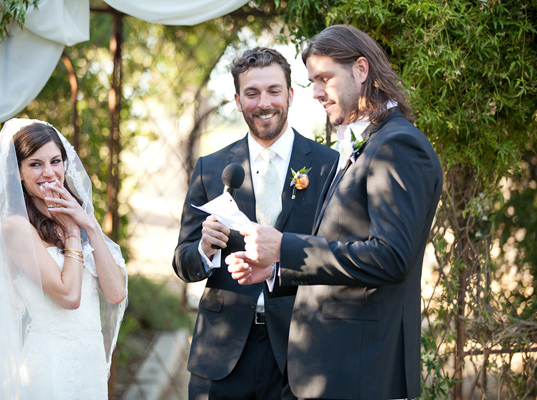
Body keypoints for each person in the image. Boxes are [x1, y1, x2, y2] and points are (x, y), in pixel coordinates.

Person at [226, 25, 443, 400]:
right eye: (312, 81)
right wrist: (277, 269)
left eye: (325, 78)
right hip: (326, 370)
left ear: (361, 70)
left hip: (359, 372)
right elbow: (344, 247)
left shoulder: (400, 146)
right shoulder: (366, 144)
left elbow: (391, 258)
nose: (316, 92)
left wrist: (284, 248)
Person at [173, 47, 337, 399]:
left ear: (290, 95)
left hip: (299, 352)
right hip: (221, 355)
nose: (264, 103)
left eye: (273, 91)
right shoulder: (211, 167)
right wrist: (203, 249)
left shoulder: (328, 166)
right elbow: (182, 262)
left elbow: (334, 257)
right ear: (237, 100)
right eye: (252, 93)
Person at [0, 119, 128, 399]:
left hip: (90, 365)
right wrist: (74, 232)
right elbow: (68, 296)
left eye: (55, 161)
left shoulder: (77, 216)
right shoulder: (15, 227)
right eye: (35, 164)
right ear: (17, 172)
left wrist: (88, 224)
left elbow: (115, 293)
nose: (49, 172)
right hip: (50, 368)